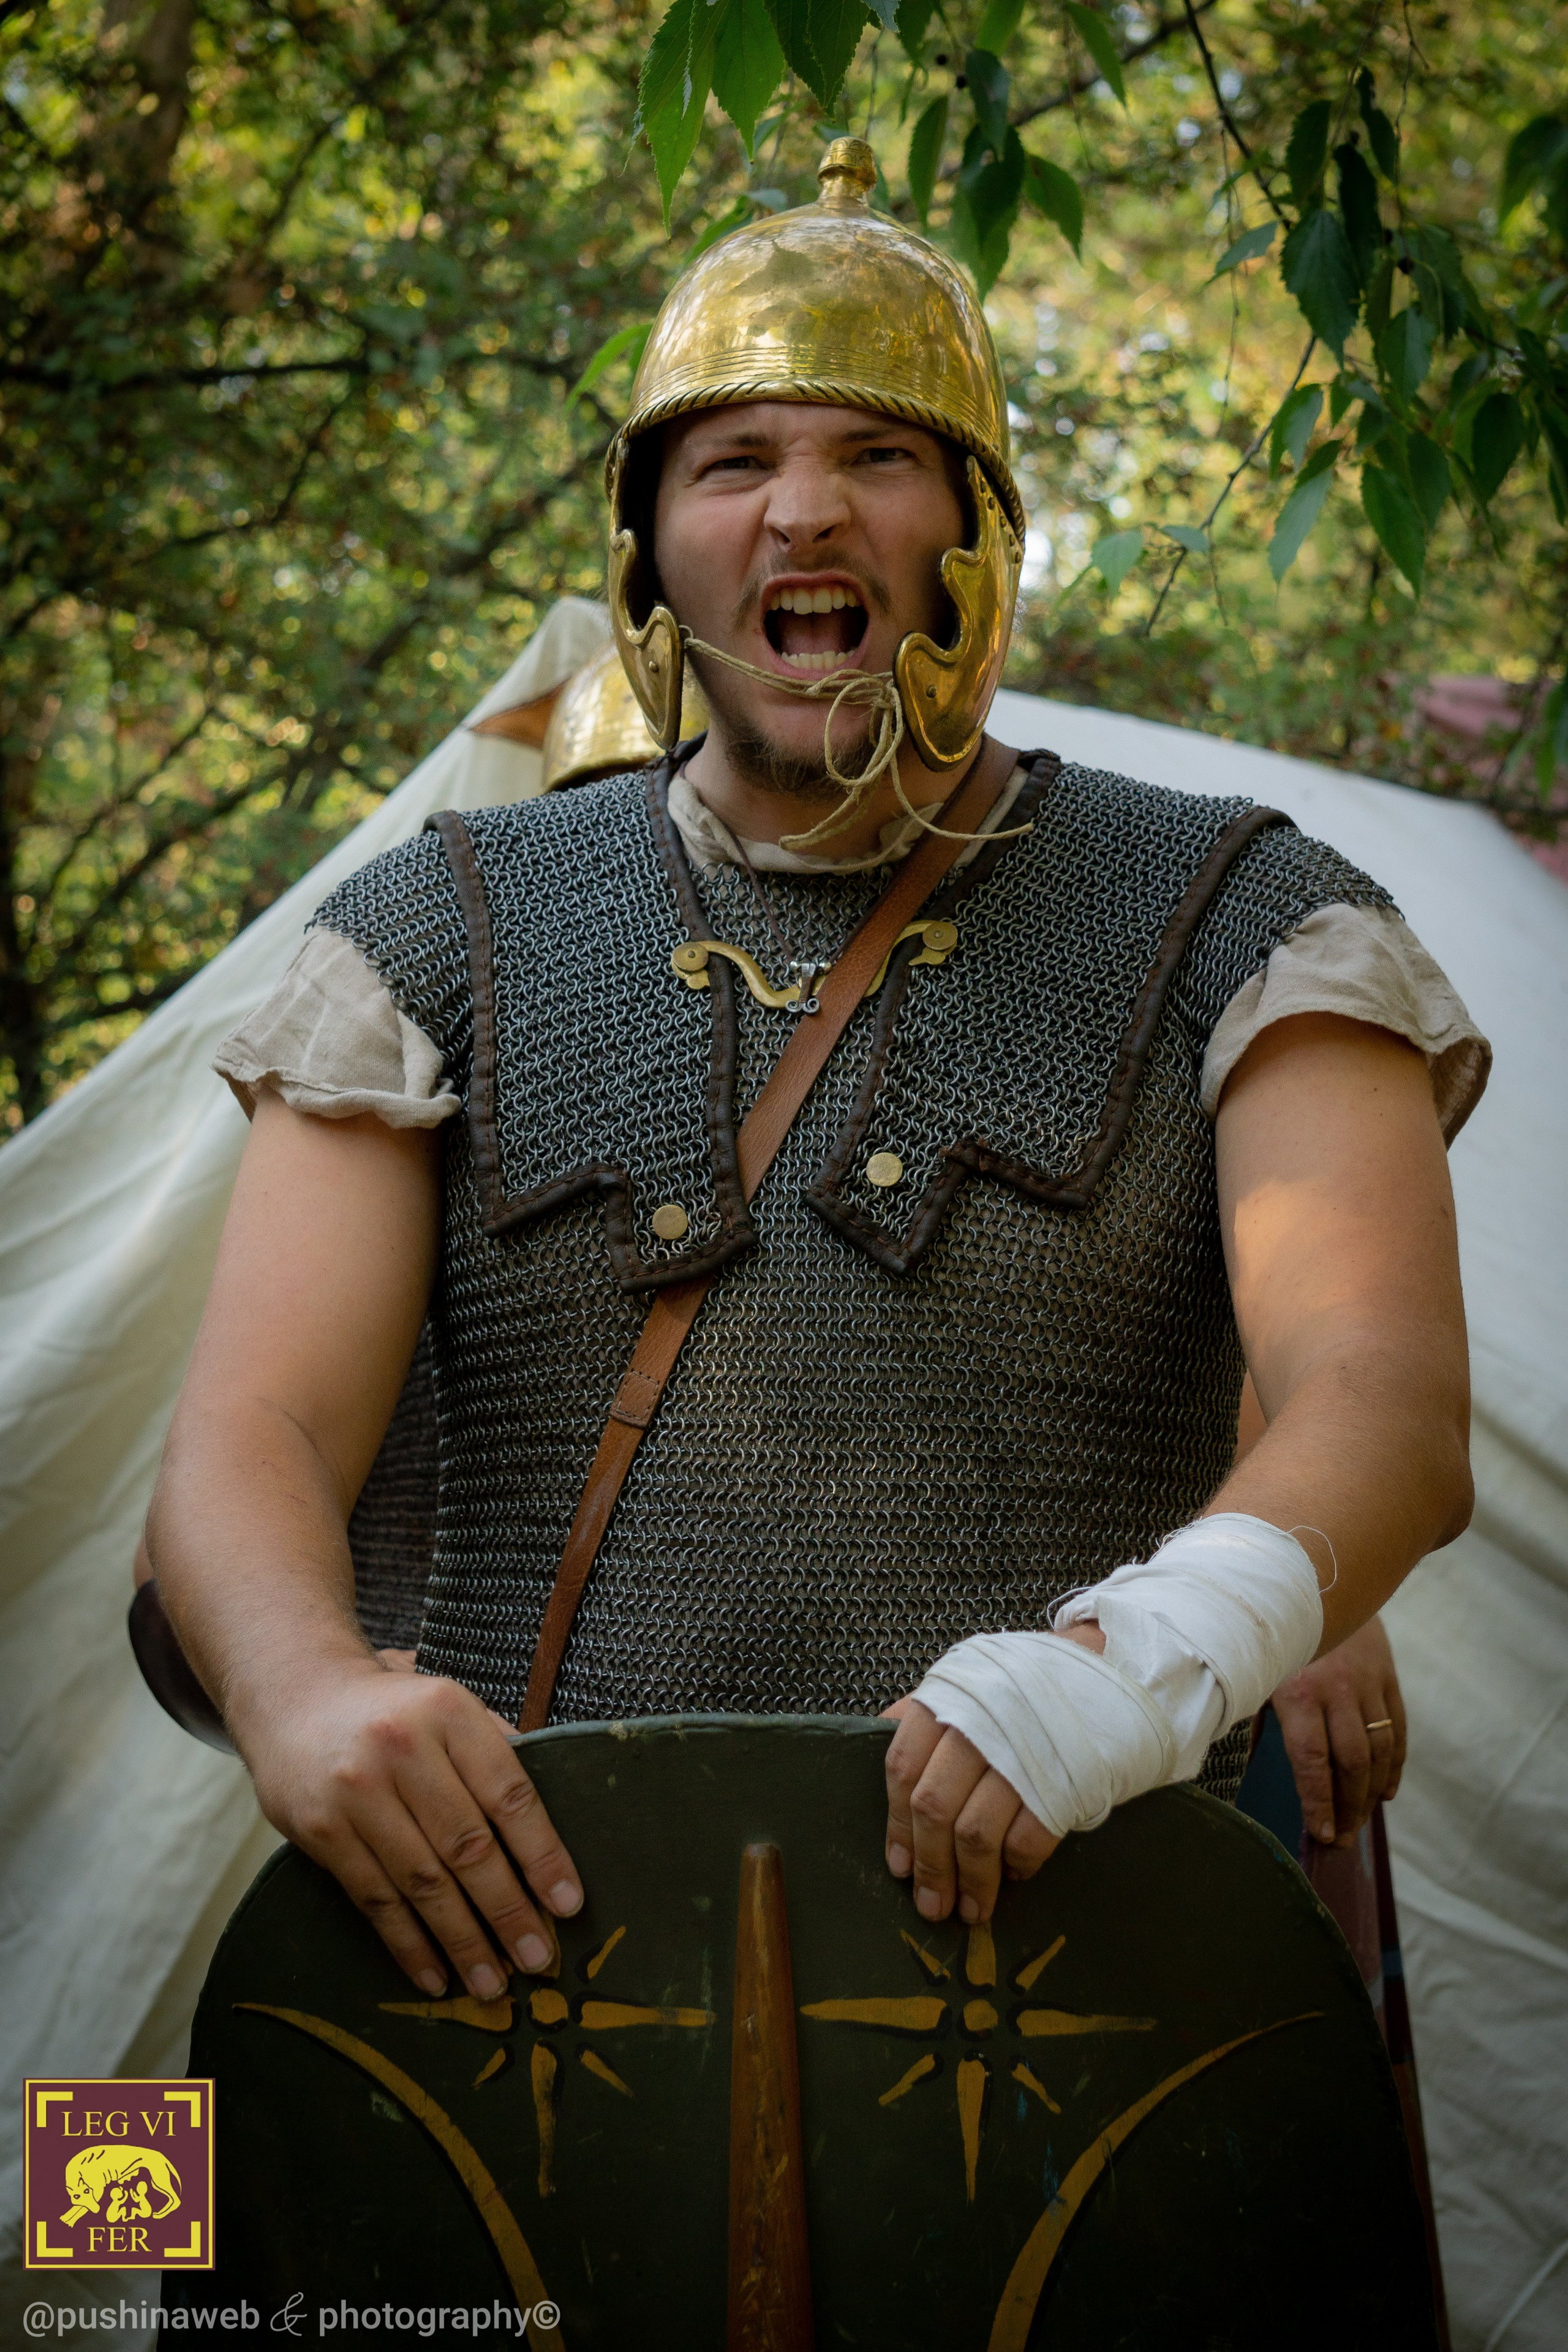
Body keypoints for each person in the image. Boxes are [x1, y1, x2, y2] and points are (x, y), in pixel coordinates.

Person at [147, 138, 1484, 2006]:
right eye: (732, 461)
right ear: (649, 544)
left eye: (877, 455)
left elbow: (1382, 1400)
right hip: (524, 1964)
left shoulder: (1249, 918)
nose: (802, 511)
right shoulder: (433, 931)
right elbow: (256, 1430)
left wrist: (1149, 1657)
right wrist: (299, 1690)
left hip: (1067, 1977)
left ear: (977, 530)